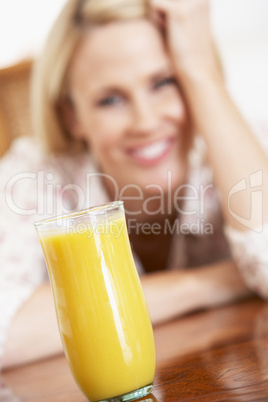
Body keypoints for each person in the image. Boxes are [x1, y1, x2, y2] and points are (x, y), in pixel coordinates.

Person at [1, 0, 267, 370]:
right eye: (110, 99)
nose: (145, 121)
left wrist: (203, 75)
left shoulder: (244, 147)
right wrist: (214, 283)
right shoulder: (36, 176)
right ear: (72, 115)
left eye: (165, 82)